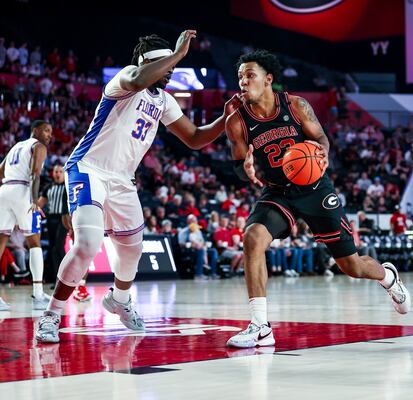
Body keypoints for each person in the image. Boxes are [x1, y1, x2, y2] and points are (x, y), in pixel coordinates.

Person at [35, 30, 241, 343]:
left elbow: (195, 138)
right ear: (148, 63)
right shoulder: (126, 78)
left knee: (133, 249)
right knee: (88, 244)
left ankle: (119, 299)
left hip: (122, 179)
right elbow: (137, 81)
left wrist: (224, 120)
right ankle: (51, 315)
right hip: (88, 169)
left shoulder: (165, 100)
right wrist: (177, 54)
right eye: (166, 66)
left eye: (172, 67)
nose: (171, 72)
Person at [224, 49, 410, 348]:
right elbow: (239, 168)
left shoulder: (296, 106)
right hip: (277, 191)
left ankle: (387, 277)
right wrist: (244, 167)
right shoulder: (236, 121)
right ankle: (260, 326)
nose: (243, 82)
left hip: (314, 187)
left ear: (268, 79)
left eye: (250, 75)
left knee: (352, 267)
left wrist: (320, 152)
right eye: (240, 77)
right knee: (252, 238)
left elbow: (321, 139)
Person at [0, 120, 53, 311]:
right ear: (35, 130)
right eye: (46, 130)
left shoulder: (16, 146)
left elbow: (0, 171)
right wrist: (33, 200)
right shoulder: (38, 146)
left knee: (1, 241)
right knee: (34, 241)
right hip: (23, 190)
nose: (49, 135)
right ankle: (38, 294)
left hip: (5, 189)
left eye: (50, 132)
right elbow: (36, 174)